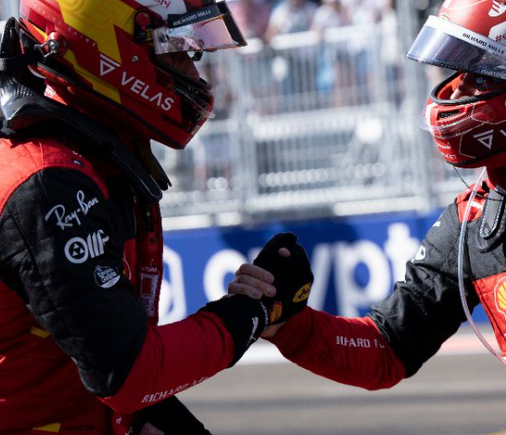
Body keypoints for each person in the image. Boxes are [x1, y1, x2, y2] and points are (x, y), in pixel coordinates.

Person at [231, 0, 506, 433]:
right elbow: (385, 350)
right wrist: (289, 326)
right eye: (460, 71)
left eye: (484, 72)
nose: (457, 91)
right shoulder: (477, 221)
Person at [0, 1, 312, 434]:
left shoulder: (90, 157)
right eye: (178, 50)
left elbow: (104, 381)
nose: (194, 74)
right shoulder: (46, 182)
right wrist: (251, 312)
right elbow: (128, 376)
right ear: (111, 52)